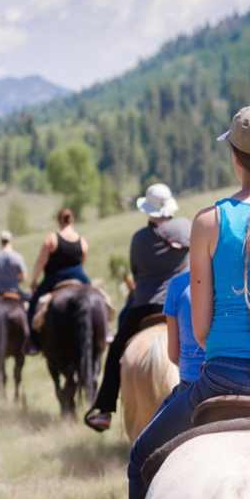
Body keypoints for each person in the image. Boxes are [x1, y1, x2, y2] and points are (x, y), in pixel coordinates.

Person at [112, 103, 250, 499]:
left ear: (235, 157)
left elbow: (203, 329)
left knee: (142, 455)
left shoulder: (209, 221)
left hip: (218, 381)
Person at [85, 183, 191, 431]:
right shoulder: (186, 227)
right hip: (183, 305)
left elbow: (135, 272)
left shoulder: (139, 238)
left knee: (117, 348)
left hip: (145, 306)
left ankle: (105, 408)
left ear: (149, 210)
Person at [25, 208, 91, 355]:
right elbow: (82, 263)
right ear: (72, 220)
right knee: (97, 296)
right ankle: (105, 330)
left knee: (32, 305)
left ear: (58, 220)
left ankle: (34, 342)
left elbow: (41, 262)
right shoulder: (82, 240)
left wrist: (34, 280)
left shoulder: (52, 238)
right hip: (78, 276)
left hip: (56, 277)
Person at [164, 271, 205, 396]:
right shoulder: (235, 280)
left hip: (191, 383)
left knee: (159, 416)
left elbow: (173, 354)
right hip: (233, 380)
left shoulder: (177, 284)